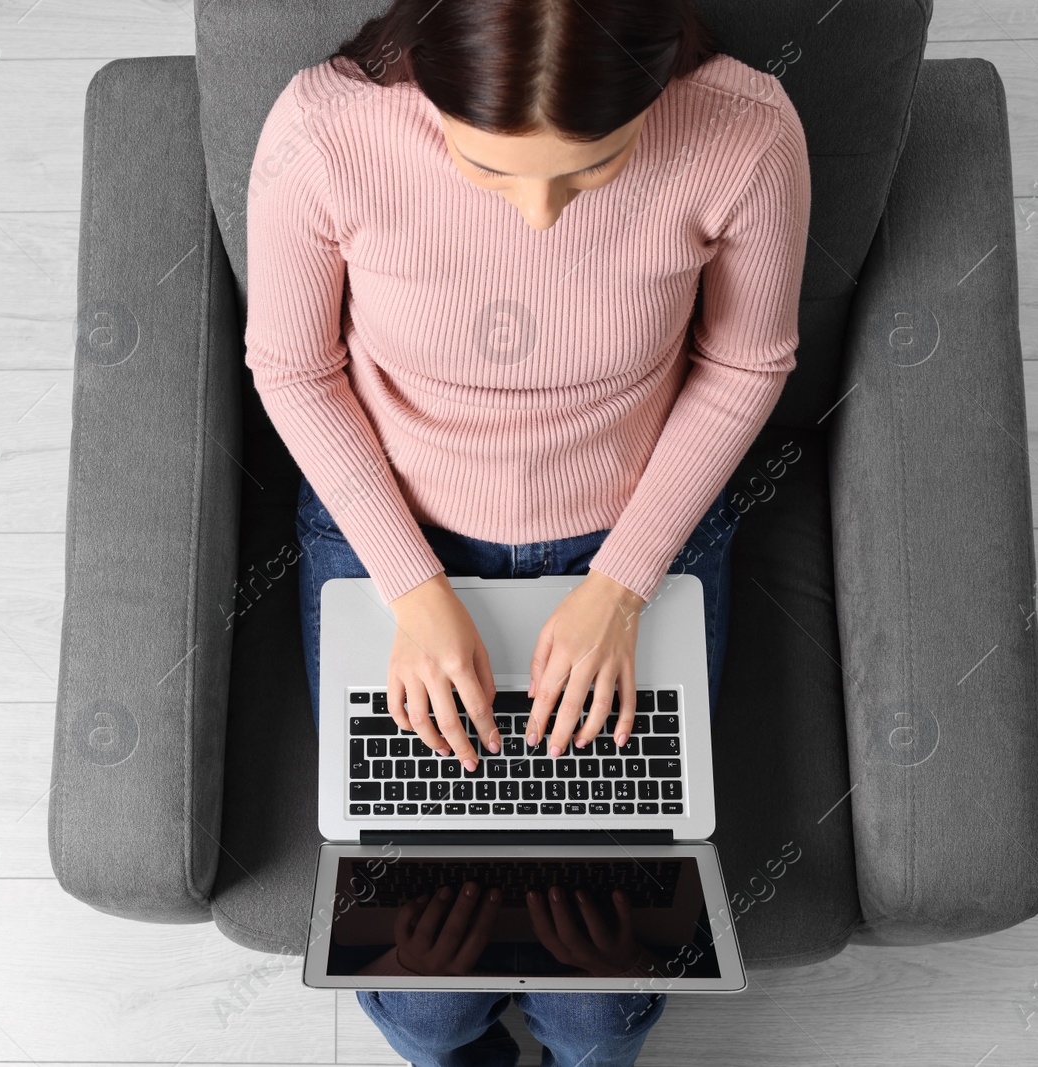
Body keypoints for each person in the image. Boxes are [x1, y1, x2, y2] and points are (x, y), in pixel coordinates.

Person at [244, 0, 810, 1061]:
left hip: (631, 536)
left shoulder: (745, 130)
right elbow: (294, 368)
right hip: (394, 527)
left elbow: (744, 366)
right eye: (490, 169)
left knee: (596, 1004)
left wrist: (624, 582)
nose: (540, 214)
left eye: (591, 167)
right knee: (425, 997)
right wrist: (412, 590)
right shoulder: (325, 131)